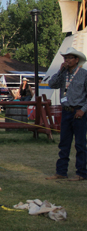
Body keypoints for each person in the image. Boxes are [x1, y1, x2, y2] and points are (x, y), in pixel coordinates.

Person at [46, 47, 87, 181]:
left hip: (79, 111)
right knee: (64, 143)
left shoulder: (84, 74)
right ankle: (61, 172)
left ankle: (81, 173)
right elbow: (52, 84)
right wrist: (60, 71)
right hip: (66, 111)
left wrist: (83, 110)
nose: (67, 60)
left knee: (80, 144)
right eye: (65, 58)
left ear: (76, 60)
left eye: (70, 58)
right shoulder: (63, 74)